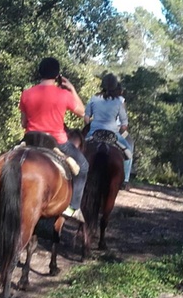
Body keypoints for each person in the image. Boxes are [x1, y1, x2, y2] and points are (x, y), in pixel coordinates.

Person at [19, 57, 89, 222]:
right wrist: (72, 89)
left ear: (39, 73)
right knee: (84, 166)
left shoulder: (26, 93)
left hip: (30, 140)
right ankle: (73, 208)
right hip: (57, 142)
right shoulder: (64, 94)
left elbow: (23, 123)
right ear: (57, 75)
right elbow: (82, 112)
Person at [84, 73, 133, 189]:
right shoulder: (119, 102)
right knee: (129, 152)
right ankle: (125, 180)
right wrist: (120, 132)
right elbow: (124, 125)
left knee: (79, 149)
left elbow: (86, 118)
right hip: (113, 133)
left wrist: (89, 128)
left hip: (93, 132)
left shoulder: (94, 98)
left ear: (102, 85)